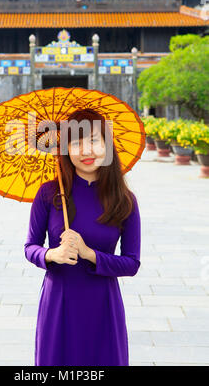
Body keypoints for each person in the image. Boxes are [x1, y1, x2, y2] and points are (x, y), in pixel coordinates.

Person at [24, 108, 141, 366]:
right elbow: (30, 246)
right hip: (59, 303)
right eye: (76, 142)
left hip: (103, 306)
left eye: (94, 141)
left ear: (107, 145)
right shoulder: (48, 193)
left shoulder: (124, 200)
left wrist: (89, 254)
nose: (86, 151)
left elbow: (132, 263)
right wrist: (50, 254)